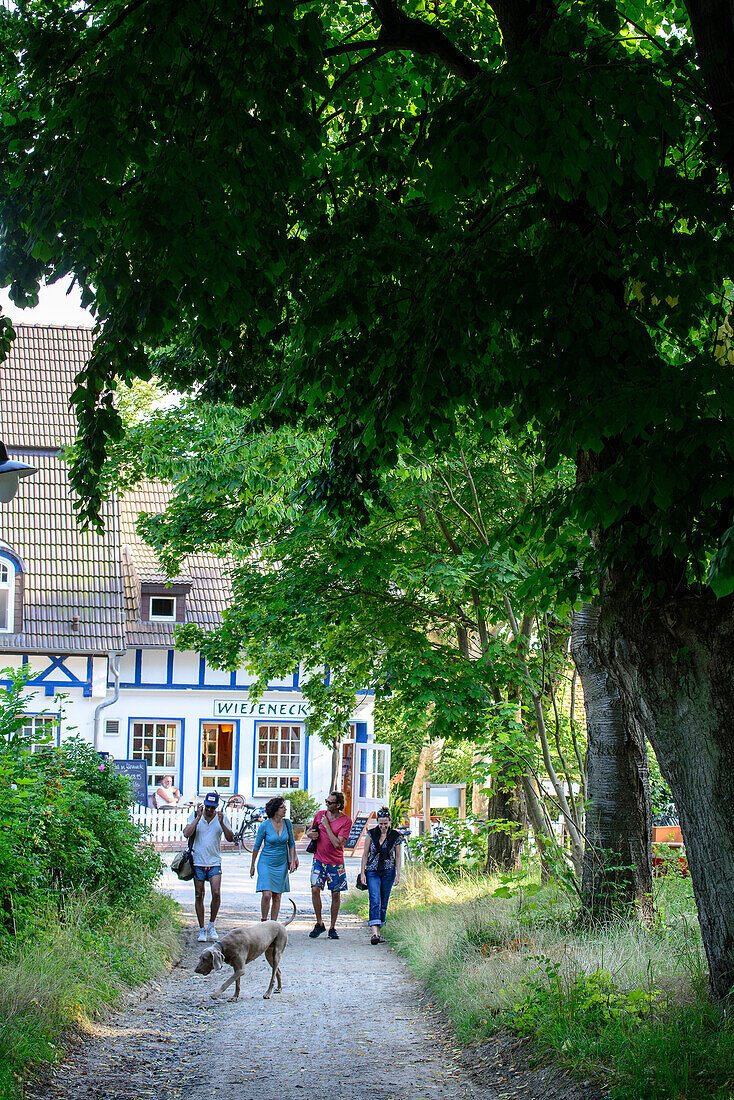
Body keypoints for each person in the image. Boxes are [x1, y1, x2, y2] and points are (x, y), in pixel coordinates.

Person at [183, 791, 235, 942]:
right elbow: (187, 833)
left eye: (212, 807)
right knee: (199, 894)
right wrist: (198, 817)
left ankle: (212, 924)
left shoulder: (221, 817)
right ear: (204, 805)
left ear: (217, 807)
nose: (210, 810)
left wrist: (222, 823)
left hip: (214, 861)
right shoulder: (195, 816)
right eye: (207, 807)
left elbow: (231, 838)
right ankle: (201, 929)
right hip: (198, 860)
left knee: (216, 892)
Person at [305, 790, 352, 940]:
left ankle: (332, 926)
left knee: (335, 893)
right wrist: (311, 834)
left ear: (338, 805)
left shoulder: (345, 821)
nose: (326, 804)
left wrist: (326, 826)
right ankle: (319, 923)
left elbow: (338, 843)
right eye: (326, 801)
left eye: (330, 802)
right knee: (315, 889)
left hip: (336, 862)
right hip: (319, 859)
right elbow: (310, 831)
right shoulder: (320, 815)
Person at [250, 796, 297, 921]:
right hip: (266, 862)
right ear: (275, 810)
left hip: (281, 863)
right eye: (282, 807)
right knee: (267, 894)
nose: (285, 810)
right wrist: (252, 865)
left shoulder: (287, 824)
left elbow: (291, 843)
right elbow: (256, 846)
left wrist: (292, 860)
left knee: (277, 896)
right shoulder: (265, 825)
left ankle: (273, 924)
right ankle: (264, 921)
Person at [359, 806, 402, 944]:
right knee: (374, 899)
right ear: (377, 822)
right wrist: (362, 873)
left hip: (388, 870)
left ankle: (379, 931)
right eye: (380, 823)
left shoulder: (395, 836)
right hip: (373, 870)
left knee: (384, 901)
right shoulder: (371, 834)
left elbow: (398, 857)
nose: (383, 826)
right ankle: (374, 933)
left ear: (389, 822)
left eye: (385, 824)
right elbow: (365, 854)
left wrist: (398, 874)